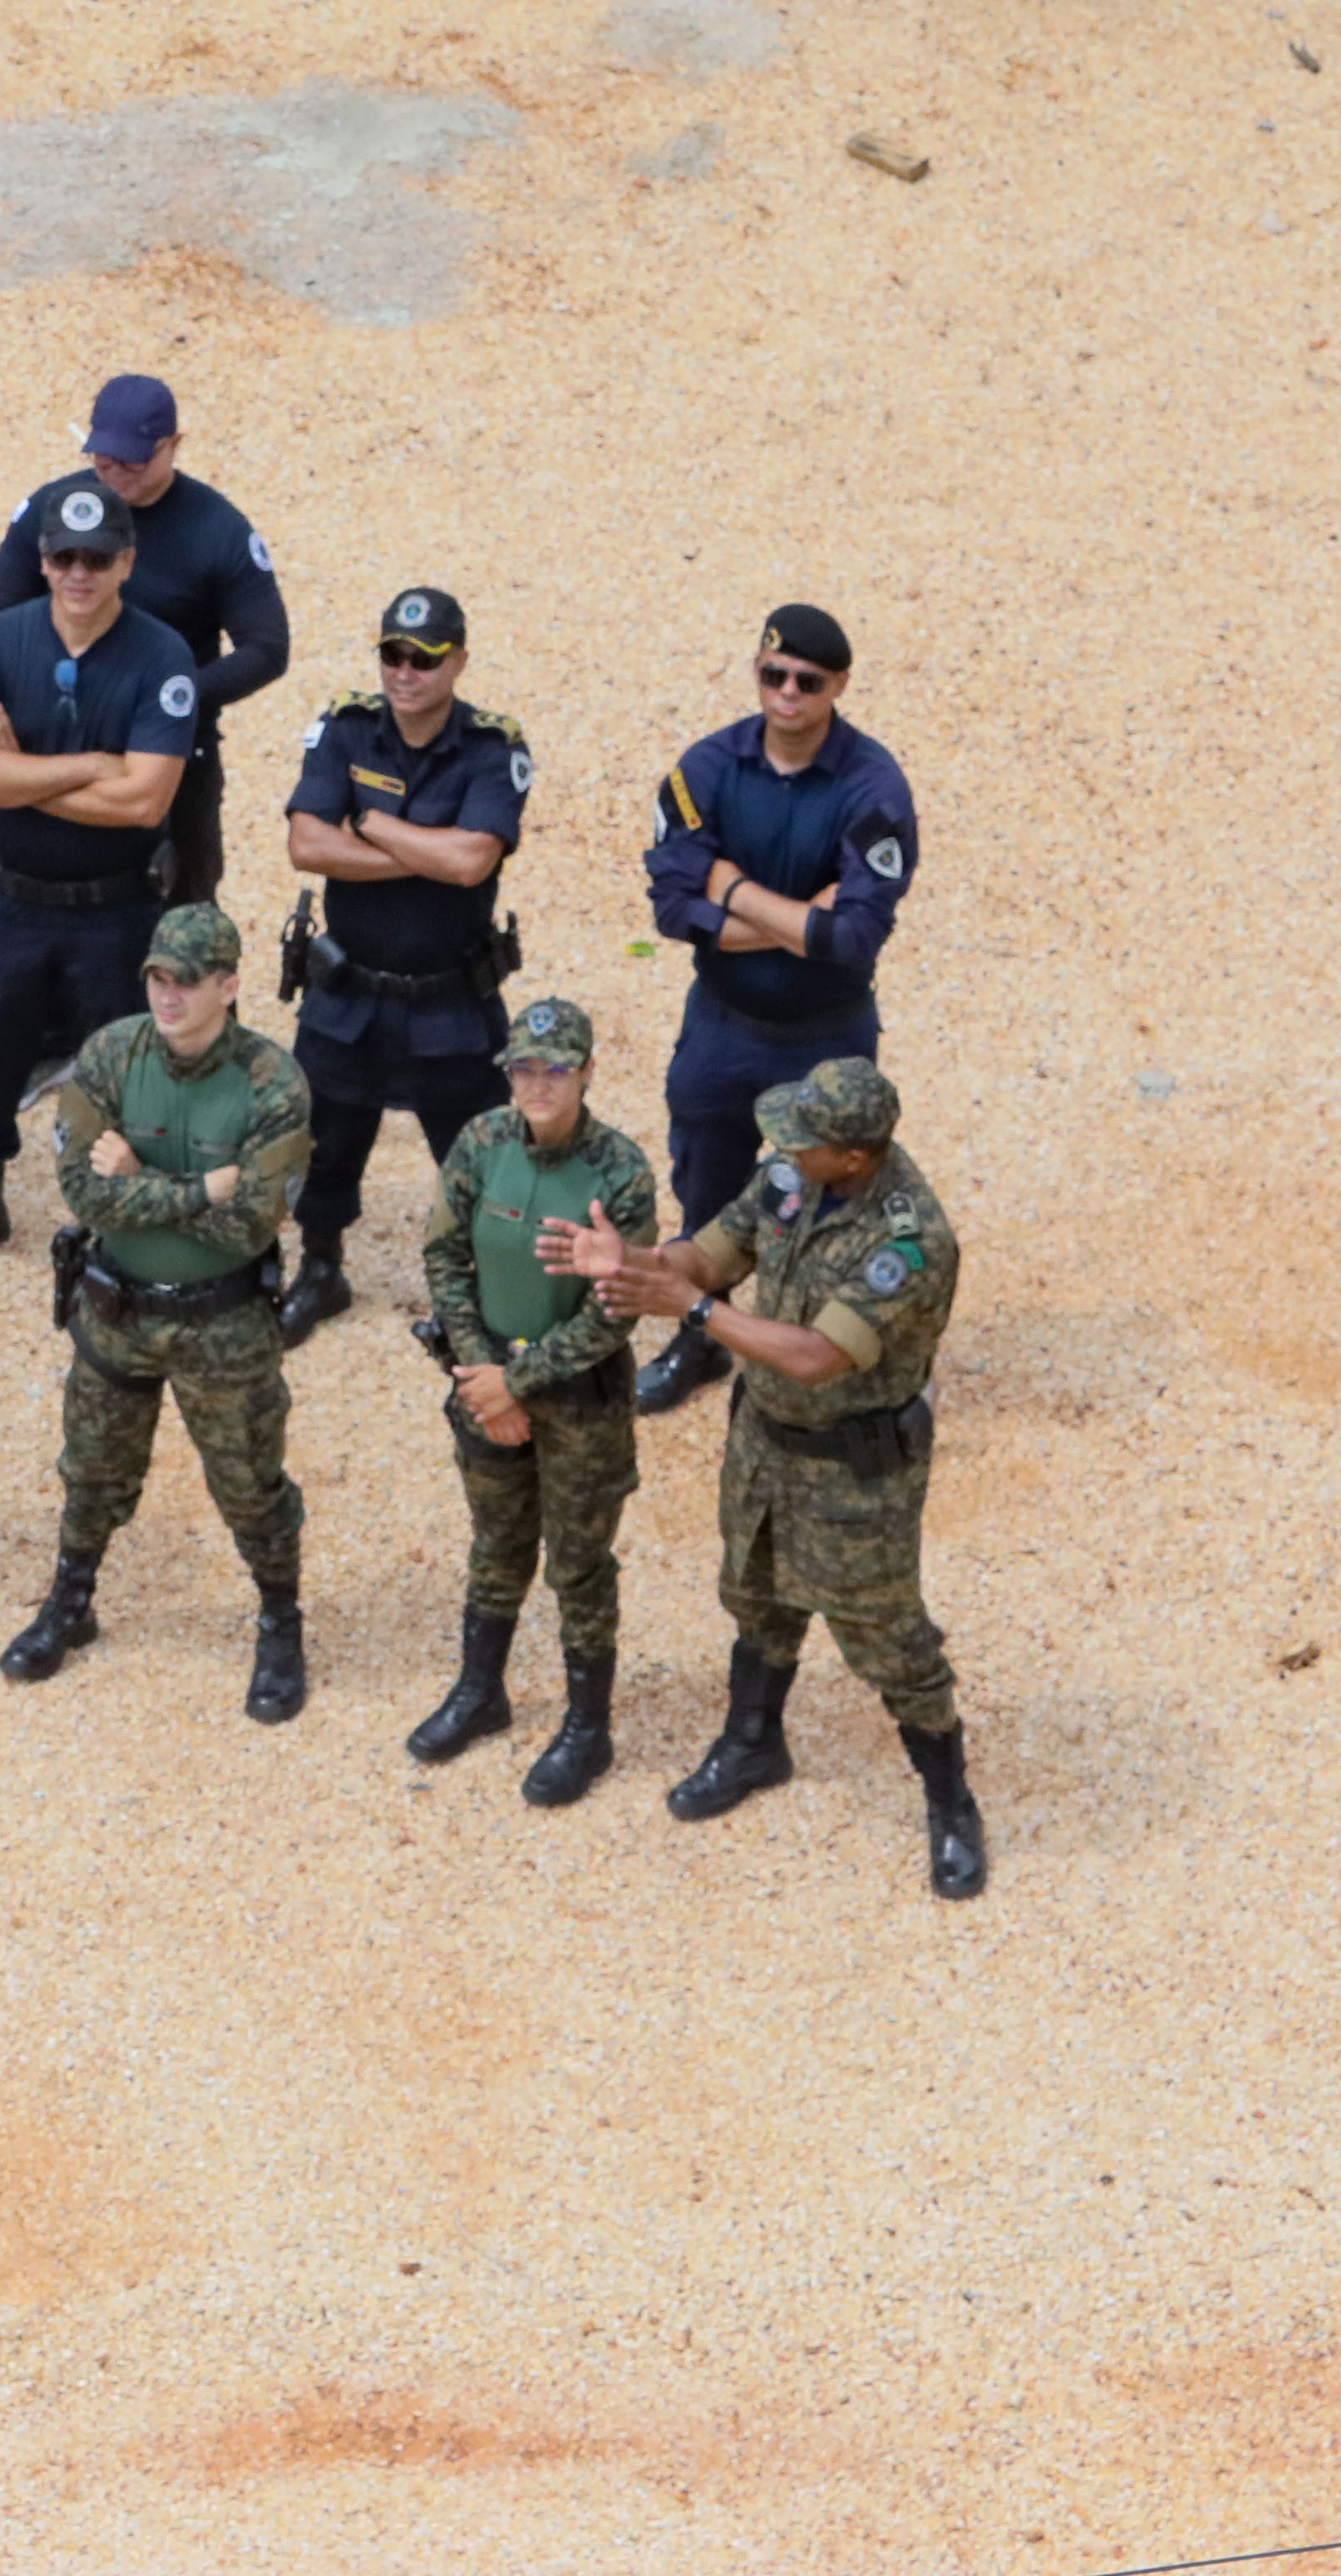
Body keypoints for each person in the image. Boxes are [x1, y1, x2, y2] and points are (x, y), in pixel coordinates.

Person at [546, 1057, 982, 1897]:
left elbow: (818, 1354)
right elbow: (710, 1255)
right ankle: (754, 1741)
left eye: (805, 1139)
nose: (784, 1146)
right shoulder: (793, 1176)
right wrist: (634, 1259)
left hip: (856, 1469)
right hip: (764, 1442)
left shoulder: (909, 1242)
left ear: (853, 1157)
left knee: (888, 1637)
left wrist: (696, 1316)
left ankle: (950, 1801)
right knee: (757, 1593)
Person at [0, 903, 315, 1721]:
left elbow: (251, 1220)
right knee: (92, 1469)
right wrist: (202, 1185)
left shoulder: (273, 1083)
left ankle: (280, 1618)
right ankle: (72, 1603)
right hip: (115, 1311)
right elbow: (82, 1191)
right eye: (156, 977)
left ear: (230, 986)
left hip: (225, 1324)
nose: (167, 995)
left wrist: (141, 1180)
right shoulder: (109, 1053)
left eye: (186, 981)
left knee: (249, 1482)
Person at [0, 474, 197, 1286]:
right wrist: (87, 766)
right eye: (64, 556)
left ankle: (115, 1218)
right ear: (42, 559)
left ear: (126, 563)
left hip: (116, 910)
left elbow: (145, 801)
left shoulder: (161, 655)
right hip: (9, 900)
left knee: (118, 1071)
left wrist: (20, 771)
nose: (79, 573)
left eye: (96, 559)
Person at [630, 604, 918, 1412]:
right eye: (774, 674)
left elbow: (853, 936)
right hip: (722, 1029)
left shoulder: (874, 788)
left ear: (838, 686)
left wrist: (735, 890)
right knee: (707, 1197)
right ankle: (701, 1339)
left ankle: (810, 1360)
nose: (788, 691)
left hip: (827, 1041)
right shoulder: (704, 771)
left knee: (831, 1203)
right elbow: (671, 907)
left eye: (808, 680)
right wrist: (795, 917)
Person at [407, 1000, 662, 1805]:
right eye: (524, 1067)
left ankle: (589, 1727)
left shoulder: (621, 1170)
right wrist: (484, 1377)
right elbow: (445, 1257)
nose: (538, 1083)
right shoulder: (481, 1143)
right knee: (497, 1544)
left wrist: (518, 1382)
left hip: (578, 1403)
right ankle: (482, 1689)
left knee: (580, 1564)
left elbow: (617, 1305)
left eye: (556, 1068)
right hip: (487, 1389)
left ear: (587, 1070)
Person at [276, 585, 528, 1336]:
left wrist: (378, 824)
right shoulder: (347, 729)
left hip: (453, 1000)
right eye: (393, 654)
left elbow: (472, 862)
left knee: (480, 1162)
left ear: (459, 663)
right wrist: (427, 849)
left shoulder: (494, 747)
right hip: (349, 991)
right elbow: (308, 845)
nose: (405, 670)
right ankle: (321, 1270)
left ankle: (481, 1300)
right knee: (321, 1148)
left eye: (425, 658)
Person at [0, 372, 290, 909]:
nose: (114, 473)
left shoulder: (217, 529)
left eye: (133, 462)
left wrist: (166, 700)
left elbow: (266, 647)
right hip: (53, 735)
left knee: (183, 927)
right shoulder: (56, 509)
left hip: (167, 756)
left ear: (173, 446)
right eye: (103, 459)